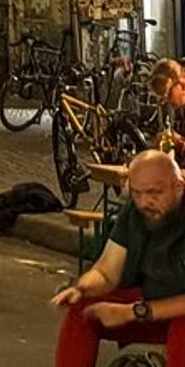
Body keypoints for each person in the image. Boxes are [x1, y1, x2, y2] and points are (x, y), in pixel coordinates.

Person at [52, 150, 185, 363]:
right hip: (151, 304)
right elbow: (107, 271)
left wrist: (135, 312)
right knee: (83, 308)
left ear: (178, 187)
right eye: (137, 193)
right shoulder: (137, 211)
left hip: (173, 311)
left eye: (154, 193)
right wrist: (81, 287)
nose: (144, 203)